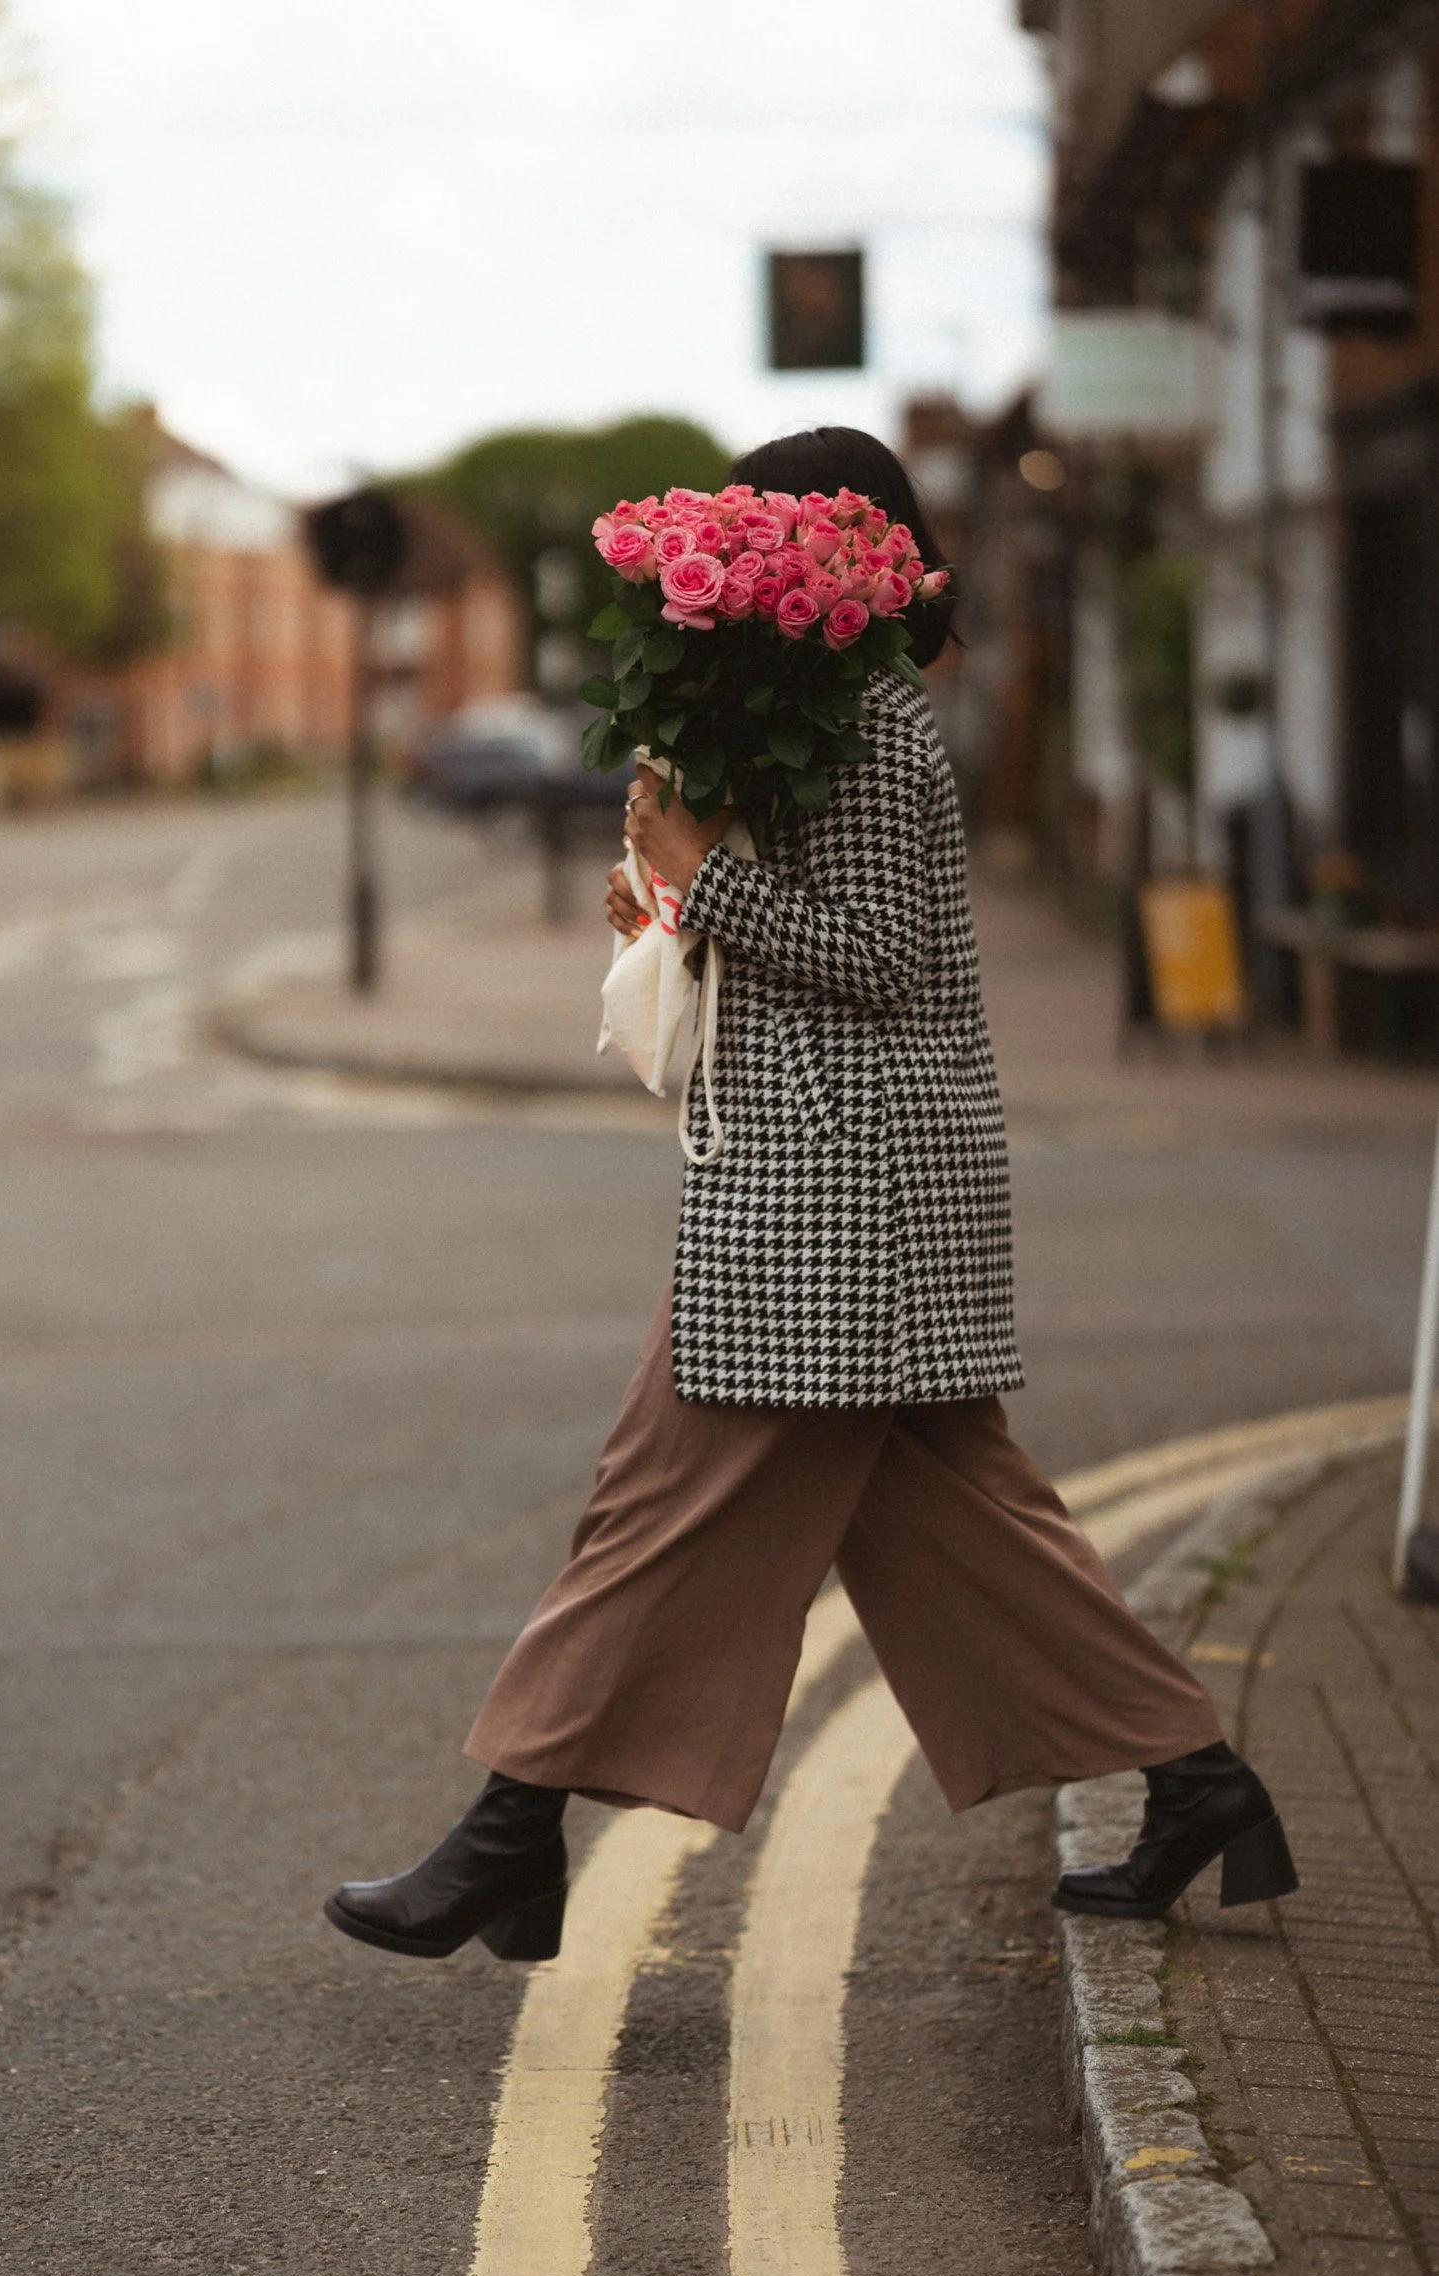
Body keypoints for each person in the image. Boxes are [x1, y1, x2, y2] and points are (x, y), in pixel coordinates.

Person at [326, 425, 1297, 1965]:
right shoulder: (818, 722)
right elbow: (804, 933)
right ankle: (1200, 1783)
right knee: (957, 1525)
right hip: (833, 1179)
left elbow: (878, 958)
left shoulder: (879, 728)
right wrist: (669, 891)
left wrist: (707, 877)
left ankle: (506, 1841)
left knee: (654, 1510)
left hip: (840, 1190)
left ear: (834, 557)